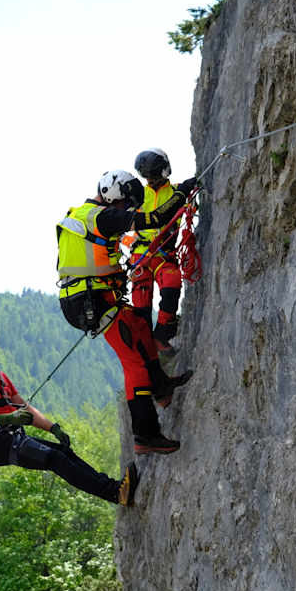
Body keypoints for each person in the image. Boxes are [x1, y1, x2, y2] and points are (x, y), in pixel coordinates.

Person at [56, 169, 192, 455]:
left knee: (140, 326)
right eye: (125, 203)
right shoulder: (102, 217)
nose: (127, 209)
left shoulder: (82, 214)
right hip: (92, 301)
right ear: (113, 196)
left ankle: (161, 387)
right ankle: (145, 434)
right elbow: (154, 219)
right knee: (134, 363)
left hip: (89, 296)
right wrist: (182, 193)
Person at [0, 323, 139, 506]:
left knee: (63, 453)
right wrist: (6, 419)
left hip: (11, 438)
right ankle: (115, 493)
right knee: (55, 459)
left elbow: (25, 408)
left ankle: (114, 488)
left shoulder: (0, 377)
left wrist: (53, 428)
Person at [130, 148, 198, 352]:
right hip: (141, 255)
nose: (150, 180)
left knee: (172, 284)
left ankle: (162, 334)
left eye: (153, 175)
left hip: (164, 254)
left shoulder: (178, 191)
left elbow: (192, 209)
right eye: (147, 176)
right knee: (141, 306)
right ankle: (145, 345)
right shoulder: (139, 196)